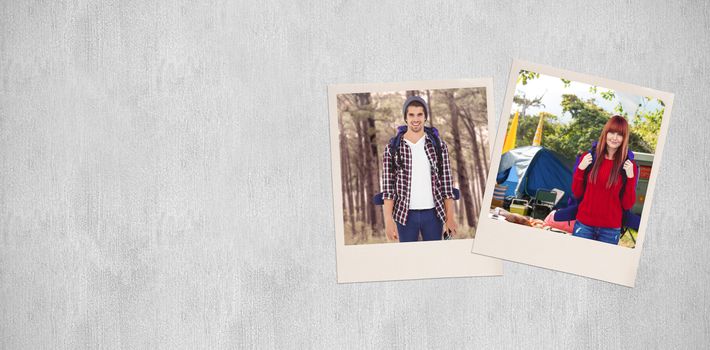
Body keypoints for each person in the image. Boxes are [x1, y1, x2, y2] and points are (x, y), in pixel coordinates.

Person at [381, 96, 458, 242]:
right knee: (408, 260)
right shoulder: (392, 148)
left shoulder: (439, 146)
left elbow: (447, 186)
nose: (415, 119)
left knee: (435, 259)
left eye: (419, 114)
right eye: (411, 115)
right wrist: (388, 220)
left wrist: (450, 217)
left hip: (434, 215)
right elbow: (388, 189)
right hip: (404, 216)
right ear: (405, 117)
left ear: (425, 117)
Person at [571, 115, 636, 245]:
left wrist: (630, 178)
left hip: (610, 230)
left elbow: (627, 204)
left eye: (620, 134)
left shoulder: (629, 166)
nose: (614, 138)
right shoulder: (588, 158)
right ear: (605, 133)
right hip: (584, 226)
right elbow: (576, 193)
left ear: (624, 138)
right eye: (611, 132)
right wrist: (580, 169)